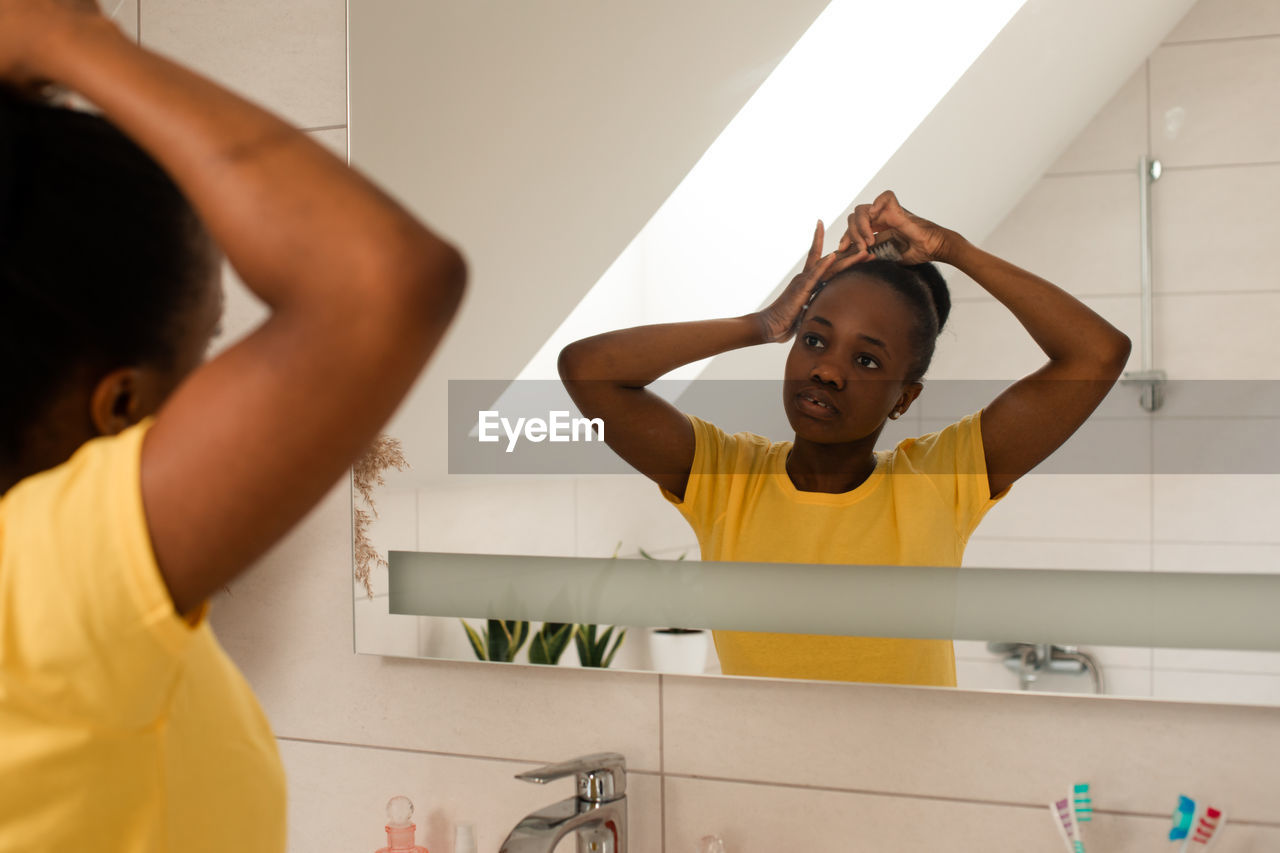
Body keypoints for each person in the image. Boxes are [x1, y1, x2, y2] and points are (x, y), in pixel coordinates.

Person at [0, 2, 465, 851]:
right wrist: (64, 38)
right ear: (120, 407)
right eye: (209, 349)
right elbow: (375, 280)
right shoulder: (41, 586)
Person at [559, 190, 1130, 686]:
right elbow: (587, 370)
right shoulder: (725, 480)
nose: (827, 371)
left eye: (866, 358)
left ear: (904, 398)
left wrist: (954, 250)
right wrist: (761, 324)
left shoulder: (939, 483)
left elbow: (1098, 353)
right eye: (813, 340)